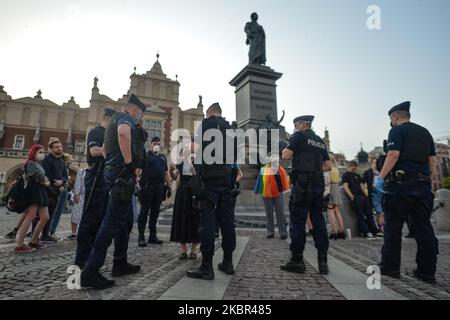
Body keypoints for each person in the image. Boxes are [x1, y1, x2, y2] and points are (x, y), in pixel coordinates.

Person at [80, 94, 145, 290]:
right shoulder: (125, 119)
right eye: (139, 114)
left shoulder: (113, 120)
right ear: (136, 110)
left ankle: (120, 262)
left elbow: (107, 149)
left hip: (114, 174)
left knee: (125, 221)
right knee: (110, 223)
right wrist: (128, 162)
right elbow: (124, 134)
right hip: (122, 177)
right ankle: (90, 272)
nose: (139, 118)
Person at [375, 101, 439, 284]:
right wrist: (427, 180)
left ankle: (390, 267)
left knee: (393, 227)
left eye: (391, 118)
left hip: (400, 186)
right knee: (423, 226)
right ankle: (427, 271)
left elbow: (393, 155)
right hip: (423, 185)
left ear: (395, 116)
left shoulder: (397, 130)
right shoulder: (425, 132)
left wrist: (381, 177)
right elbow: (432, 161)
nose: (391, 121)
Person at [186, 103, 237, 280]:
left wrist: (194, 163)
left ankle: (206, 266)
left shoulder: (206, 124)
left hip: (209, 179)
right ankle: (228, 262)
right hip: (227, 180)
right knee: (228, 222)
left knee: (207, 222)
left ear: (209, 112)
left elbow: (196, 147)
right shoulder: (231, 127)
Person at [280, 115, 332, 275]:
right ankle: (323, 262)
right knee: (318, 221)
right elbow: (328, 165)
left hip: (302, 185)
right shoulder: (319, 141)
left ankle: (297, 260)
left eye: (296, 125)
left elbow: (286, 155)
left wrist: (285, 149)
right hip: (318, 185)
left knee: (298, 221)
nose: (295, 127)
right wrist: (314, 171)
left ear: (303, 124)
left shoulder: (298, 137)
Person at [74, 108, 116, 268]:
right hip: (96, 175)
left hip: (105, 177)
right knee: (90, 218)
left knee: (100, 219)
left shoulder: (110, 134)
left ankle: (92, 259)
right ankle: (81, 260)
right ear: (108, 118)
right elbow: (94, 151)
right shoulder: (96, 132)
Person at [137, 136, 172, 247]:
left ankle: (152, 235)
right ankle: (141, 236)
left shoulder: (162, 157)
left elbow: (166, 173)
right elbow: (137, 171)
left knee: (155, 212)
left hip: (159, 187)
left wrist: (170, 187)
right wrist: (137, 185)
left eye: (158, 143)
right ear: (150, 145)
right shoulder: (145, 156)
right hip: (148, 187)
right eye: (154, 143)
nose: (156, 145)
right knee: (144, 212)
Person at [15, 145, 50, 253]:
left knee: (45, 217)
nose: (42, 154)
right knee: (30, 216)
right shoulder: (30, 163)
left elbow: (43, 178)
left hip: (40, 191)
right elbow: (41, 178)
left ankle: (33, 240)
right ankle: (19, 245)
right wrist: (45, 181)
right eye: (40, 152)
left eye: (43, 152)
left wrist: (45, 181)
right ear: (34, 153)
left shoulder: (37, 163)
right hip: (34, 192)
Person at [169, 142, 200, 259]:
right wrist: (171, 170)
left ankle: (193, 250)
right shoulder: (180, 163)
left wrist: (189, 162)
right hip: (182, 193)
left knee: (194, 220)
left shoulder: (196, 162)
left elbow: (196, 174)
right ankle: (183, 250)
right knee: (181, 218)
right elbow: (174, 177)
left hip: (193, 193)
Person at [342, 161, 382, 239]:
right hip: (355, 197)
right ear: (350, 166)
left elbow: (361, 186)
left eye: (356, 168)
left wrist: (365, 194)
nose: (355, 169)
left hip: (363, 196)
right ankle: (366, 232)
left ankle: (375, 231)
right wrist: (351, 196)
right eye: (354, 168)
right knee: (360, 215)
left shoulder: (357, 175)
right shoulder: (346, 175)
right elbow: (345, 186)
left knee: (369, 214)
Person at [254, 154, 290, 239]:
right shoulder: (264, 169)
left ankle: (283, 233)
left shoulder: (281, 170)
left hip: (279, 193)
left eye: (276, 160)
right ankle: (270, 232)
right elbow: (259, 180)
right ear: (270, 161)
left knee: (280, 213)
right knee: (269, 213)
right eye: (273, 159)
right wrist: (257, 190)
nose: (275, 161)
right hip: (267, 193)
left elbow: (286, 181)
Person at [40, 139, 68, 243]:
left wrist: (62, 182)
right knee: (43, 215)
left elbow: (65, 175)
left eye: (60, 147)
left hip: (56, 191)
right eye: (56, 147)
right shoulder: (47, 159)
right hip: (48, 190)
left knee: (52, 213)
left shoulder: (61, 161)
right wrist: (54, 182)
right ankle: (39, 234)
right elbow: (45, 174)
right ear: (51, 149)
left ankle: (46, 234)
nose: (59, 149)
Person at [49, 153, 72, 237]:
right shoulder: (60, 168)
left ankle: (52, 230)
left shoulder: (66, 169)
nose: (70, 163)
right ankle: (50, 230)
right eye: (69, 161)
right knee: (55, 211)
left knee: (58, 211)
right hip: (59, 190)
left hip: (64, 190)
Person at [363, 158, 385, 232]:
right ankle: (379, 227)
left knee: (381, 212)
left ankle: (381, 227)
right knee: (378, 211)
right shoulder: (367, 172)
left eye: (376, 163)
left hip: (382, 193)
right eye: (373, 163)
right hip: (373, 193)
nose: (375, 164)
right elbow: (363, 183)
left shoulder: (382, 171)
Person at [327, 156, 346, 240]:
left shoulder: (328, 169)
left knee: (330, 211)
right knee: (337, 211)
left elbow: (327, 181)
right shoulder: (336, 168)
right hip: (336, 188)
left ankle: (334, 232)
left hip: (330, 189)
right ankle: (341, 231)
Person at [66, 168, 86, 240]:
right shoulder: (82, 171)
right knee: (75, 214)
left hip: (91, 196)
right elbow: (77, 183)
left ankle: (84, 232)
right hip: (81, 196)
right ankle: (74, 233)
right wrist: (76, 194)